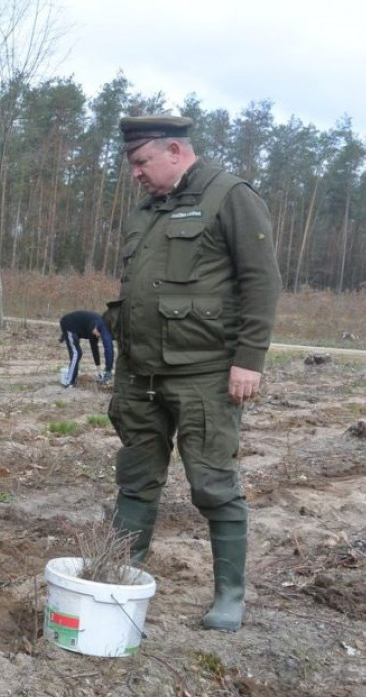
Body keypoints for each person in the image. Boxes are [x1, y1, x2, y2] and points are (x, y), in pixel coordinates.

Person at [104, 115, 281, 632]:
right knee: (136, 478)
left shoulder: (230, 196)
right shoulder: (146, 211)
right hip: (140, 373)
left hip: (204, 373)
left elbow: (261, 280)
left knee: (213, 482)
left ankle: (230, 595)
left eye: (142, 161)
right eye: (132, 163)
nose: (136, 173)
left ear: (175, 152)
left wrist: (249, 359)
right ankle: (120, 574)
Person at [58, 310, 114, 388]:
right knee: (76, 353)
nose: (99, 336)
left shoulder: (96, 329)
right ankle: (69, 382)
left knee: (78, 353)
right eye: (99, 335)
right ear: (97, 329)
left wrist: (99, 371)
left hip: (76, 328)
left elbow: (95, 349)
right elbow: (94, 347)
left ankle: (71, 378)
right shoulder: (92, 328)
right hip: (68, 324)